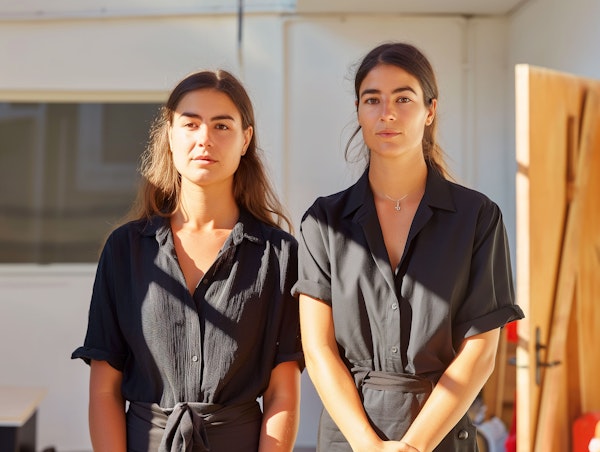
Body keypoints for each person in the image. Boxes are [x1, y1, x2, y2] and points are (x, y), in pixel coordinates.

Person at [293, 42, 524, 452]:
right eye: (372, 100)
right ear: (359, 111)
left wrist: (414, 446)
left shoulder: (477, 217)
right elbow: (318, 349)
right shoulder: (323, 223)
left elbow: (480, 352)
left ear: (430, 110)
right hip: (348, 439)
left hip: (442, 436)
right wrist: (369, 445)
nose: (387, 113)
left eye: (404, 98)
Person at [72, 69, 303, 452]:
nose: (204, 140)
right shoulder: (124, 249)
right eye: (190, 124)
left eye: (222, 126)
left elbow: (282, 392)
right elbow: (104, 389)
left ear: (246, 139)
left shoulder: (278, 254)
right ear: (170, 135)